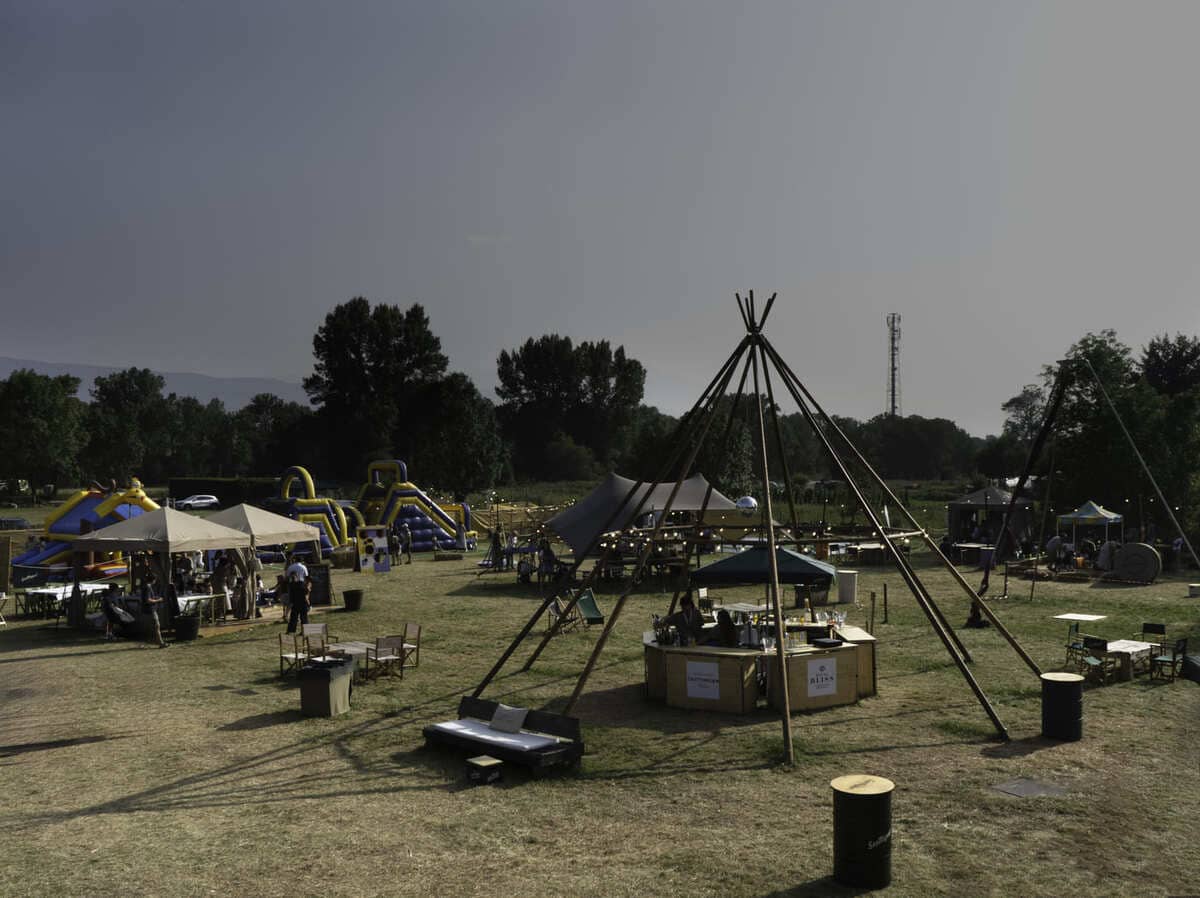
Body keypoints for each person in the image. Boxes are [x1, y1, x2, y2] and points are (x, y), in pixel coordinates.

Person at [284, 554, 309, 634]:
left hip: (294, 594)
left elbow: (286, 577)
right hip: (301, 597)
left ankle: (291, 630)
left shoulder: (290, 567)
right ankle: (304, 631)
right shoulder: (303, 567)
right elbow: (306, 577)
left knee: (294, 616)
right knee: (303, 616)